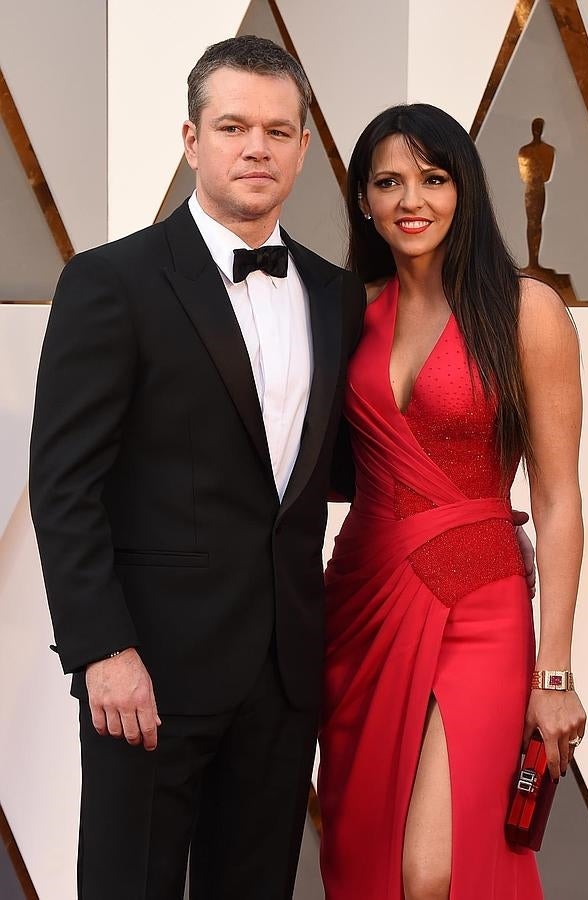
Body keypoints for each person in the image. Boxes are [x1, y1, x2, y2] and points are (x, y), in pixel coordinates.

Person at [29, 36, 365, 900]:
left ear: (301, 147)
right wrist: (101, 648)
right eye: (234, 126)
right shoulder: (112, 282)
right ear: (191, 140)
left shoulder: (336, 293)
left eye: (279, 131)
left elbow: (339, 472)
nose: (257, 147)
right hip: (146, 672)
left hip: (286, 674)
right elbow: (65, 485)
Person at [319, 104, 587, 900]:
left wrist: (557, 672)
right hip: (362, 601)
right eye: (388, 181)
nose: (412, 199)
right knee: (367, 858)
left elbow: (559, 495)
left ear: (464, 188)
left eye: (433, 178)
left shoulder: (524, 309)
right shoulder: (346, 315)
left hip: (481, 605)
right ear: (363, 200)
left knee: (436, 869)